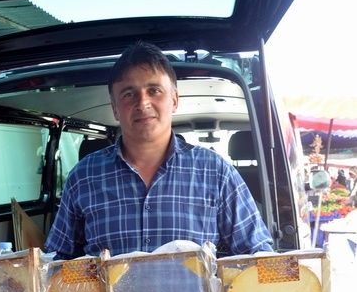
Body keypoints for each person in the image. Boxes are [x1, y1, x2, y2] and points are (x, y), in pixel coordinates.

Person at [45, 41, 273, 259]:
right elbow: (56, 262)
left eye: (154, 90)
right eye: (128, 94)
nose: (142, 103)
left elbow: (257, 256)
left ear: (174, 100)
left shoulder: (216, 173)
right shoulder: (83, 178)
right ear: (115, 109)